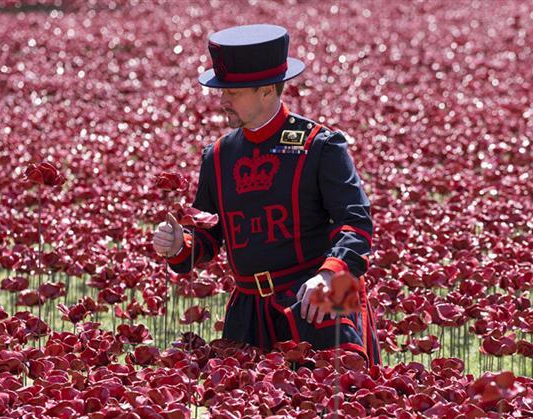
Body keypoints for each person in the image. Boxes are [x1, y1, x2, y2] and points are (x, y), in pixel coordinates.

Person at [153, 23, 381, 370]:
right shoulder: (217, 155)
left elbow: (357, 222)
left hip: (319, 294)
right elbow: (208, 233)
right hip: (249, 309)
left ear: (266, 90)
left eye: (233, 91)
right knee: (247, 418)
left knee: (340, 411)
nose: (223, 99)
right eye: (222, 90)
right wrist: (178, 245)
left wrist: (331, 274)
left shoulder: (320, 145)